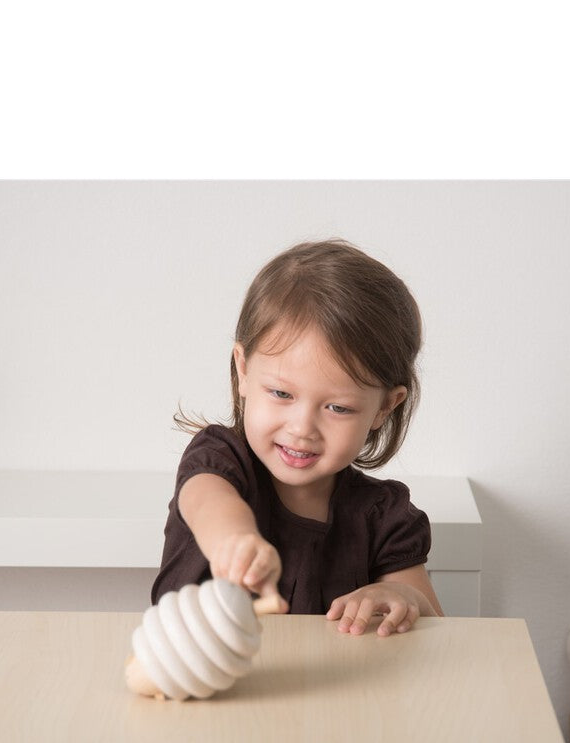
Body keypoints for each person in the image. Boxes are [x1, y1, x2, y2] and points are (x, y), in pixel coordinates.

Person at [151, 239, 443, 636]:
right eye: (281, 394)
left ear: (384, 408)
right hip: (201, 674)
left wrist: (403, 598)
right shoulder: (218, 460)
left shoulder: (383, 517)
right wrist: (236, 540)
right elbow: (208, 504)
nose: (302, 428)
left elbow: (437, 629)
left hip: (338, 679)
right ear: (243, 370)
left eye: (337, 407)